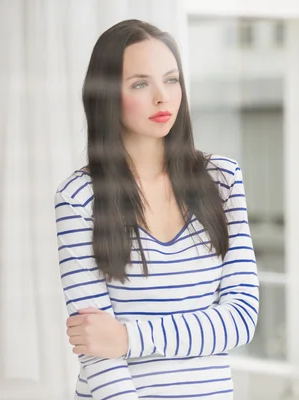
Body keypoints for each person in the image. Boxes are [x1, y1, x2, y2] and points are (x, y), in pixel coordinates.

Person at [53, 19, 259, 399]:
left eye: (171, 79)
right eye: (140, 84)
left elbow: (241, 318)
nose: (162, 97)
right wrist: (111, 341)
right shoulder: (78, 199)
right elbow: (98, 353)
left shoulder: (223, 180)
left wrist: (128, 337)